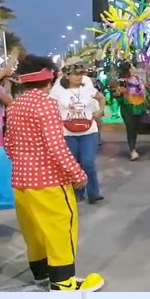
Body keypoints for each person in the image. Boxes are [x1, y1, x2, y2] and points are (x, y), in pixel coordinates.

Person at [4, 54, 103, 292]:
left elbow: (8, 144)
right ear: (49, 80)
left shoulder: (15, 105)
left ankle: (42, 274)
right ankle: (63, 282)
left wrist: (25, 164)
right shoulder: (46, 104)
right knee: (61, 229)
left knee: (34, 231)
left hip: (21, 182)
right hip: (50, 182)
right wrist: (77, 174)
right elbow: (56, 147)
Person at [49, 65, 105, 204]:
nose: (79, 76)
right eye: (75, 74)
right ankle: (76, 192)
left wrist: (100, 111)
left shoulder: (87, 87)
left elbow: (101, 98)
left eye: (81, 73)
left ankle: (93, 193)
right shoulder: (57, 91)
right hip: (67, 132)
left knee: (88, 162)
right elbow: (49, 107)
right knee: (73, 163)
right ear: (67, 76)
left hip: (89, 130)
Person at [110, 61, 146, 160]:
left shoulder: (139, 79)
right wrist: (118, 94)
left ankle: (133, 146)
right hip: (128, 109)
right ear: (128, 70)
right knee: (130, 128)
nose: (135, 68)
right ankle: (132, 150)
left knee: (136, 129)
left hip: (139, 107)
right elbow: (116, 96)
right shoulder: (122, 82)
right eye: (132, 66)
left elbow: (144, 92)